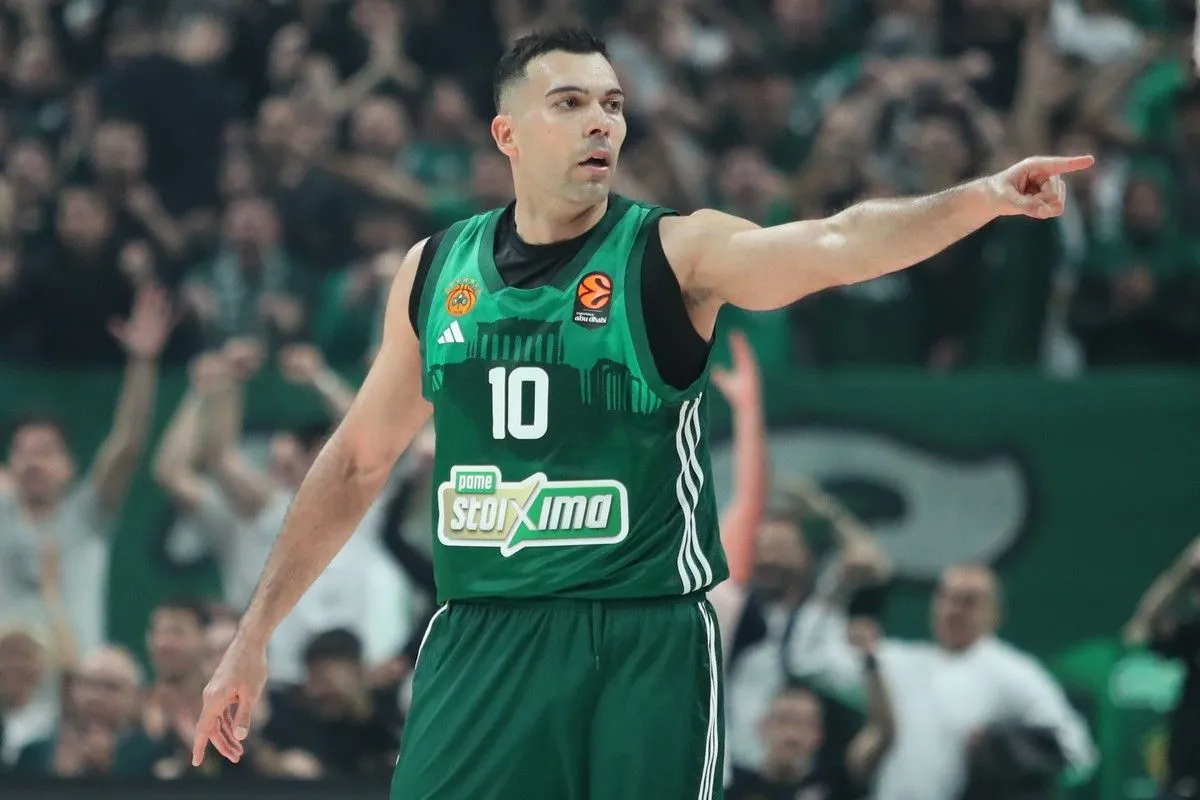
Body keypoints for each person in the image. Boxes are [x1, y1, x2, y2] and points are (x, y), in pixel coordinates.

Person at [192, 27, 1093, 800]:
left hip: (641, 632)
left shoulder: (673, 253)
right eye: (571, 103)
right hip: (481, 628)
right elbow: (357, 460)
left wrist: (979, 197)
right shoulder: (433, 271)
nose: (601, 122)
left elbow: (833, 244)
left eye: (613, 105)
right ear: (507, 133)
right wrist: (252, 635)